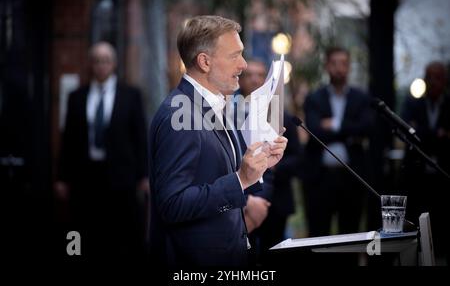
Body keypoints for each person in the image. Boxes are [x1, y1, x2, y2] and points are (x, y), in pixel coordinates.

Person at [148, 15, 288, 267]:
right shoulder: (179, 114)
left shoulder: (212, 105)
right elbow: (172, 205)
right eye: (235, 55)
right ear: (204, 61)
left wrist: (260, 164)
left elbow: (216, 175)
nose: (244, 65)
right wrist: (240, 180)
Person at [58, 42, 148, 261]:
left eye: (106, 60)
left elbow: (140, 138)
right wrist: (61, 177)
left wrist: (144, 175)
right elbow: (67, 139)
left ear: (114, 64)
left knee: (121, 233)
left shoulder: (131, 95)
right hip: (85, 176)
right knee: (82, 231)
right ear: (91, 64)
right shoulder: (77, 97)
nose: (101, 65)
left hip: (120, 178)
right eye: (97, 60)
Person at [236, 59, 303, 264]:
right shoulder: (229, 116)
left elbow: (298, 158)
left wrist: (272, 164)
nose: (255, 80)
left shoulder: (281, 116)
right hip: (242, 200)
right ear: (241, 79)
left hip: (277, 199)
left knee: (273, 256)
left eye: (260, 75)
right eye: (249, 75)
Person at [303, 47, 373, 239]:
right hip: (320, 179)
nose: (339, 68)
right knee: (318, 236)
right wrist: (349, 132)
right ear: (327, 66)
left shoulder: (361, 98)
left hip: (352, 177)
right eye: (334, 63)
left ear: (349, 67)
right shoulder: (314, 98)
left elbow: (366, 128)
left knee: (350, 235)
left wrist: (333, 124)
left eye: (344, 63)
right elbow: (315, 130)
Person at [401, 61, 450, 262]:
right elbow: (409, 133)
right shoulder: (413, 104)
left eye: (438, 77)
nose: (433, 82)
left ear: (445, 80)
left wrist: (424, 133)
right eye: (429, 77)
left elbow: (420, 134)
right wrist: (439, 135)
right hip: (417, 179)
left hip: (443, 178)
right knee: (417, 230)